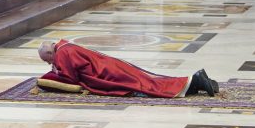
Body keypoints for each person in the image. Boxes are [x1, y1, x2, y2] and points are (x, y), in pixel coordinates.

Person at [37, 40, 219, 97]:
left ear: (51, 52)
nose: (49, 64)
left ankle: (196, 80)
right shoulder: (64, 47)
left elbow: (70, 79)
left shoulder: (62, 53)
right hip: (110, 67)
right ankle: (197, 83)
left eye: (47, 60)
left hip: (107, 74)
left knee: (145, 86)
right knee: (148, 81)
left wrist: (48, 77)